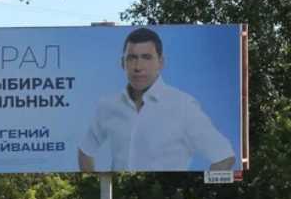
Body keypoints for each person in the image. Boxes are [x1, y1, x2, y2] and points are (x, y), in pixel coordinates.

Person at [77, 27, 237, 173]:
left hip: (166, 194)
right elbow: (85, 151)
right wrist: (95, 184)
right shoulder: (108, 105)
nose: (138, 67)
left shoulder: (182, 106)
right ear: (122, 63)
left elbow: (224, 156)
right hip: (120, 193)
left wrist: (198, 187)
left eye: (146, 57)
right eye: (132, 58)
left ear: (161, 62)